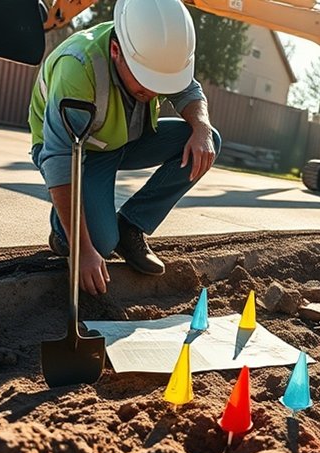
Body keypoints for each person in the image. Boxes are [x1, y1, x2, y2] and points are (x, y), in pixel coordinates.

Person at [28, 0, 221, 295]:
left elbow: (189, 90)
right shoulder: (78, 68)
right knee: (100, 245)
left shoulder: (157, 52)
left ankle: (132, 225)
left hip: (122, 139)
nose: (154, 92)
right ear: (116, 51)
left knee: (206, 142)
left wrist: (202, 128)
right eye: (146, 82)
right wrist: (82, 252)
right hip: (81, 151)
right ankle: (63, 232)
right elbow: (59, 158)